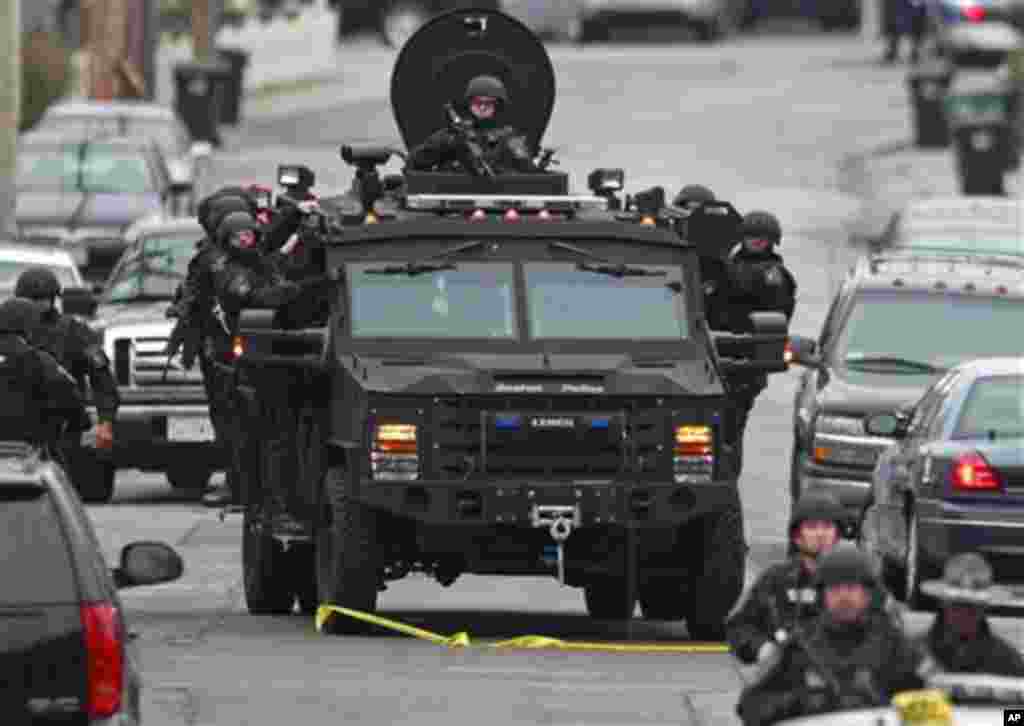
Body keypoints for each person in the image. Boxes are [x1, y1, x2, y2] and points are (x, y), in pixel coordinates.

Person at [198, 210, 332, 525]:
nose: (247, 240)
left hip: (276, 362)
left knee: (282, 439)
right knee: (263, 440)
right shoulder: (227, 270)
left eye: (250, 234)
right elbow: (258, 296)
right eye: (239, 236)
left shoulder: (258, 262)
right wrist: (302, 290)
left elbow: (279, 263)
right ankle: (266, 504)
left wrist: (297, 221)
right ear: (227, 240)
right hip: (250, 368)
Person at [736, 544, 935, 726]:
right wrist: (805, 703)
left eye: (851, 588)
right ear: (822, 595)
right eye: (835, 588)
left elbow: (930, 704)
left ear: (867, 593)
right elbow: (751, 705)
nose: (844, 597)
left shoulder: (893, 645)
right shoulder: (800, 646)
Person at [726, 491, 846, 665]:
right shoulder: (776, 580)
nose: (820, 534)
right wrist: (761, 648)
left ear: (837, 534)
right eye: (812, 527)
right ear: (797, 536)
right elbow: (738, 628)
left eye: (827, 526)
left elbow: (887, 631)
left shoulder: (857, 580)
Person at [14, 266, 119, 454]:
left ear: (53, 300)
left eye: (43, 299)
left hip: (63, 428)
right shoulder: (9, 332)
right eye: (32, 300)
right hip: (17, 429)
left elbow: (102, 378)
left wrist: (106, 422)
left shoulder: (73, 331)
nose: (38, 305)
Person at [723, 210, 797, 465]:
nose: (755, 243)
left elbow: (779, 316)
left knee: (730, 431)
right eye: (751, 238)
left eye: (761, 239)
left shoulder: (774, 275)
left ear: (772, 241)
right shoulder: (726, 267)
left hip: (745, 360)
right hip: (715, 353)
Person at [0, 298, 90, 452]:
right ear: (27, 326)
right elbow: (70, 396)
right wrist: (81, 421)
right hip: (30, 453)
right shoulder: (42, 360)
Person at [917, 552, 1024, 676]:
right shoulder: (913, 653)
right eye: (957, 605)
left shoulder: (1007, 660)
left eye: (972, 607)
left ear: (984, 608)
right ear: (943, 603)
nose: (964, 614)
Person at [408, 75, 538, 175]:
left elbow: (529, 174)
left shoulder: (510, 138)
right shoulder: (451, 135)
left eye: (488, 103)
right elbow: (414, 164)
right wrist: (446, 144)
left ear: (497, 106)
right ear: (469, 104)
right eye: (477, 102)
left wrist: (500, 170)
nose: (482, 107)